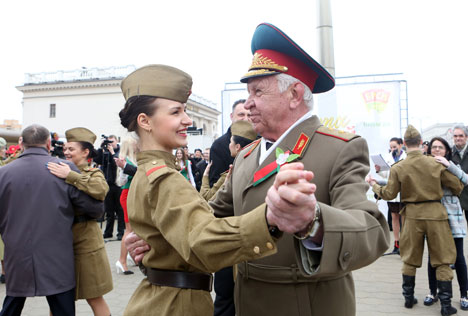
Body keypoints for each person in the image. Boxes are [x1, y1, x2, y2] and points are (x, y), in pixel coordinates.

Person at [127, 23, 390, 316]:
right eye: (247, 93)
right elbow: (207, 219)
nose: (247, 104)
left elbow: (374, 232)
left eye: (257, 92)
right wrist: (157, 242)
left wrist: (313, 221)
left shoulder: (339, 148)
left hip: (306, 305)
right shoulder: (247, 156)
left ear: (294, 94)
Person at [117, 63, 321, 316]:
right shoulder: (164, 178)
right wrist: (269, 220)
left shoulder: (146, 172)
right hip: (176, 305)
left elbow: (190, 219)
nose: (187, 120)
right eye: (175, 112)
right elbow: (200, 239)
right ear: (145, 121)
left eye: (185, 110)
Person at [0, 124, 104, 316]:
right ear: (49, 144)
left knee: (11, 306)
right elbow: (94, 209)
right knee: (62, 309)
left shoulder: (3, 173)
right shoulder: (63, 169)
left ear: (21, 142)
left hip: (17, 253)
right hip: (57, 255)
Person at [368, 125, 463, 315]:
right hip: (436, 214)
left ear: (404, 144)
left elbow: (389, 193)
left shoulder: (398, 167)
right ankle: (445, 305)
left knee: (409, 258)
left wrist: (374, 186)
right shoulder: (435, 163)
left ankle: (408, 299)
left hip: (411, 215)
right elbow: (457, 186)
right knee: (443, 260)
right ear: (421, 143)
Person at [47, 127, 113, 316]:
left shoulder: (93, 173)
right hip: (61, 240)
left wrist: (70, 175)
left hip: (86, 240)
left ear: (85, 152)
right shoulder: (56, 169)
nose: (66, 152)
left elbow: (100, 190)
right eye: (65, 148)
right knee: (58, 297)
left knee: (94, 295)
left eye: (71, 149)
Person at [423, 137, 468, 311]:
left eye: (440, 147)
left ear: (446, 151)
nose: (436, 150)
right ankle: (432, 292)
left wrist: (450, 165)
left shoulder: (451, 166)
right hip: (433, 217)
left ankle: (464, 294)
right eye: (434, 147)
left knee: (458, 258)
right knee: (432, 258)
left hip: (453, 217)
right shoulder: (424, 166)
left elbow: (465, 180)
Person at [200, 120, 256, 201]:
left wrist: (205, 176)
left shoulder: (229, 175)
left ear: (237, 147)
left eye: (230, 142)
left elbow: (207, 198)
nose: (229, 145)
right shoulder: (257, 167)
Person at [375, 137, 406, 254]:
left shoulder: (406, 157)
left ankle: (405, 243)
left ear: (401, 145)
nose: (393, 149)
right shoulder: (388, 157)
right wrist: (379, 170)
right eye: (391, 147)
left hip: (404, 192)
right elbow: (385, 175)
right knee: (394, 217)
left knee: (404, 218)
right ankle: (396, 243)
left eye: (395, 146)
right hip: (392, 192)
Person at [209, 99, 251, 187]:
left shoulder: (261, 140)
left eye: (249, 115)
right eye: (241, 115)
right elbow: (214, 183)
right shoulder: (219, 146)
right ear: (231, 116)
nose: (246, 119)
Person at [115, 136, 139, 275]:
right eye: (135, 144)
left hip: (132, 194)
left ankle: (130, 257)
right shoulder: (126, 161)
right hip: (128, 194)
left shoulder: (129, 160)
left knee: (133, 229)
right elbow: (122, 181)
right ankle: (122, 260)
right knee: (129, 229)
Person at [95, 135, 125, 240]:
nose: (110, 143)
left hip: (118, 184)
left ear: (117, 141)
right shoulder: (105, 152)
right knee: (109, 211)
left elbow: (115, 163)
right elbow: (97, 160)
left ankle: (121, 232)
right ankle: (108, 232)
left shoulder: (120, 152)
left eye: (112, 141)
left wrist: (112, 152)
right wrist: (100, 147)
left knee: (120, 210)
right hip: (107, 184)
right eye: (109, 142)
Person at [451, 125, 468, 223]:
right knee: (455, 232)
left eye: (461, 136)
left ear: (466, 137)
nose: (458, 138)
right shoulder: (449, 153)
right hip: (455, 198)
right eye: (455, 136)